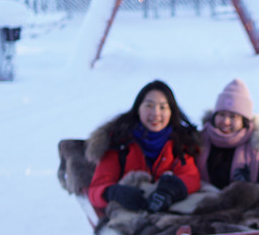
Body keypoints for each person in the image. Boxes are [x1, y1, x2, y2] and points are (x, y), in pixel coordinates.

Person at [86, 79, 201, 217]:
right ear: (138, 109)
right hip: (130, 215)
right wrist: (114, 193)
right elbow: (96, 190)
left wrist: (170, 191)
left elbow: (191, 177)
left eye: (163, 107)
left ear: (171, 112)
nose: (156, 113)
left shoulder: (180, 142)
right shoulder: (120, 142)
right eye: (149, 106)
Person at [197, 78, 259, 190]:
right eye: (221, 114)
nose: (225, 121)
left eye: (232, 117)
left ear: (244, 120)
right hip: (206, 201)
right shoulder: (200, 139)